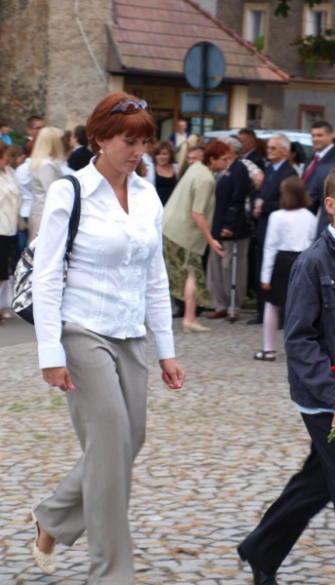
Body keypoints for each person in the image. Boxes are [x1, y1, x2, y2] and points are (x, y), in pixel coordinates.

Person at [29, 91, 185, 582]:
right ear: (99, 139)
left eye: (144, 141)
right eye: (127, 140)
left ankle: (53, 517)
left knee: (126, 441)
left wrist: (167, 349)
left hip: (129, 335)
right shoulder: (69, 192)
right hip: (81, 333)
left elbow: (155, 276)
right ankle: (110, 573)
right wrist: (50, 354)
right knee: (112, 441)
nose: (138, 151)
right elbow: (48, 277)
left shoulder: (146, 195)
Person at [238, 160, 335, 585]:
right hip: (325, 397)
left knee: (319, 481)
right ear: (332, 205)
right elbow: (299, 340)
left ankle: (261, 550)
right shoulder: (314, 262)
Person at [162, 140, 230, 332]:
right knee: (192, 273)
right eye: (224, 159)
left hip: (172, 227)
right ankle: (189, 318)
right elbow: (197, 213)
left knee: (189, 274)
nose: (227, 163)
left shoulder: (197, 167)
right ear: (213, 159)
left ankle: (189, 317)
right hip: (184, 234)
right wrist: (211, 240)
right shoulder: (206, 179)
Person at [255, 176, 317, 361]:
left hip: (281, 262)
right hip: (303, 261)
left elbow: (270, 246)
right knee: (300, 308)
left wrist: (265, 276)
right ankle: (299, 350)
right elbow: (312, 243)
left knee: (272, 305)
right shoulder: (311, 217)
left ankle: (269, 348)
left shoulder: (277, 216)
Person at [247, 133, 297, 326]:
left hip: (278, 228)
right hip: (263, 226)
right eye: (268, 148)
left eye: (273, 148)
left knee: (276, 273)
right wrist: (257, 203)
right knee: (262, 269)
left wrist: (264, 206)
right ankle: (262, 312)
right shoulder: (269, 169)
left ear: (284, 150)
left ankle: (280, 315)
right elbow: (260, 192)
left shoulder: (289, 173)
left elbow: (288, 203)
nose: (269, 151)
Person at [205, 138, 252, 323]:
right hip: (216, 225)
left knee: (231, 268)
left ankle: (234, 305)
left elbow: (238, 198)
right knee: (216, 268)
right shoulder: (221, 169)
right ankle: (220, 304)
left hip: (232, 228)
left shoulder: (239, 169)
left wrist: (229, 225)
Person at [28, 126, 65, 239]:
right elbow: (52, 192)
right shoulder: (46, 165)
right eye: (61, 139)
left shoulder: (46, 162)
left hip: (44, 212)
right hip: (45, 214)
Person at [0, 142, 21, 324]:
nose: (6, 159)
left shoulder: (9, 173)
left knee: (4, 272)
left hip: (8, 227)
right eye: (3, 156)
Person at [303, 120, 335, 215]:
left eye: (319, 135)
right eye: (313, 136)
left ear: (331, 136)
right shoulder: (312, 158)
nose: (315, 139)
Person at [152, 140, 177, 205]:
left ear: (170, 155)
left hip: (171, 207)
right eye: (158, 154)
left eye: (164, 154)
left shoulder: (176, 169)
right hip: (154, 206)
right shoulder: (150, 169)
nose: (161, 157)